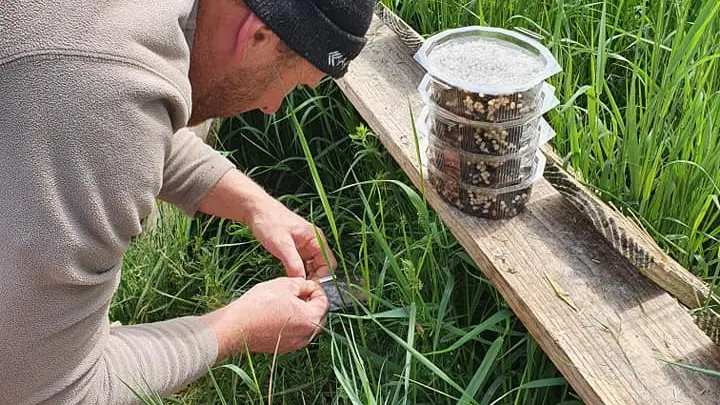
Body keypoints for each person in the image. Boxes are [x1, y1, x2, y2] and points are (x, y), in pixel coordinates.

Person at [0, 0, 374, 403]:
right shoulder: (101, 99)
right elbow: (50, 392)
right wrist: (237, 327)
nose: (271, 107)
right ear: (257, 36)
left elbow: (124, 117)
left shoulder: (130, 33)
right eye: (289, 82)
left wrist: (256, 206)